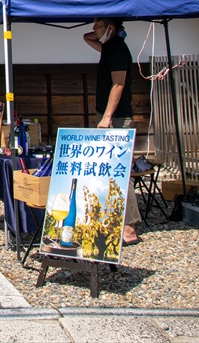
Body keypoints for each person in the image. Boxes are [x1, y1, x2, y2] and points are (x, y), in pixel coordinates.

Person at [83, 17, 143, 245]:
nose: (93, 28)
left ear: (110, 28)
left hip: (117, 118)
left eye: (98, 24)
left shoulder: (117, 48)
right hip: (107, 116)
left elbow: (118, 84)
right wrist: (104, 32)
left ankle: (129, 228)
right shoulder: (109, 46)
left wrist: (107, 117)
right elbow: (87, 38)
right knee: (107, 170)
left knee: (119, 170)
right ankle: (114, 220)